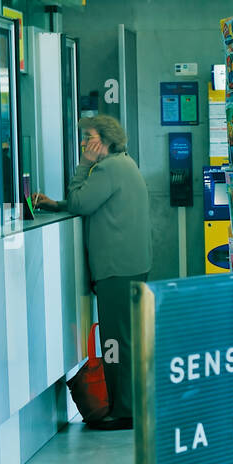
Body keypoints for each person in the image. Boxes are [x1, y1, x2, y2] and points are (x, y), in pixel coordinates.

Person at [33, 115, 152, 430]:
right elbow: (89, 202)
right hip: (130, 266)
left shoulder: (106, 168)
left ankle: (122, 411)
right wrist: (56, 205)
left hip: (116, 268)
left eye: (89, 138)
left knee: (114, 342)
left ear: (106, 140)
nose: (84, 144)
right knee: (125, 339)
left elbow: (80, 202)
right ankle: (129, 405)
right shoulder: (125, 164)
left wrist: (83, 164)